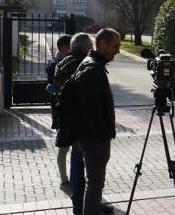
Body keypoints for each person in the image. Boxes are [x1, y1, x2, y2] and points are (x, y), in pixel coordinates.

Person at [53, 33, 112, 215]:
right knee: (87, 171)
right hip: (82, 126)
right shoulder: (84, 64)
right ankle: (82, 206)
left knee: (76, 165)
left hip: (68, 122)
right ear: (88, 48)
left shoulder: (62, 63)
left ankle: (80, 203)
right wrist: (102, 130)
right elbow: (88, 101)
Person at [74, 28, 120, 215]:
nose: (117, 50)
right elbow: (90, 109)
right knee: (94, 184)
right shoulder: (93, 68)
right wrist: (104, 133)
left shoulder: (93, 65)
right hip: (93, 138)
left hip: (91, 136)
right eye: (115, 46)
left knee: (93, 183)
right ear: (102, 44)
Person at [45, 34, 72, 188]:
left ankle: (75, 175)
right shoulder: (54, 65)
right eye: (71, 47)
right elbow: (53, 86)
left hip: (71, 111)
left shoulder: (71, 62)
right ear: (64, 48)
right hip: (60, 111)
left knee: (75, 147)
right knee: (63, 147)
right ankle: (64, 178)